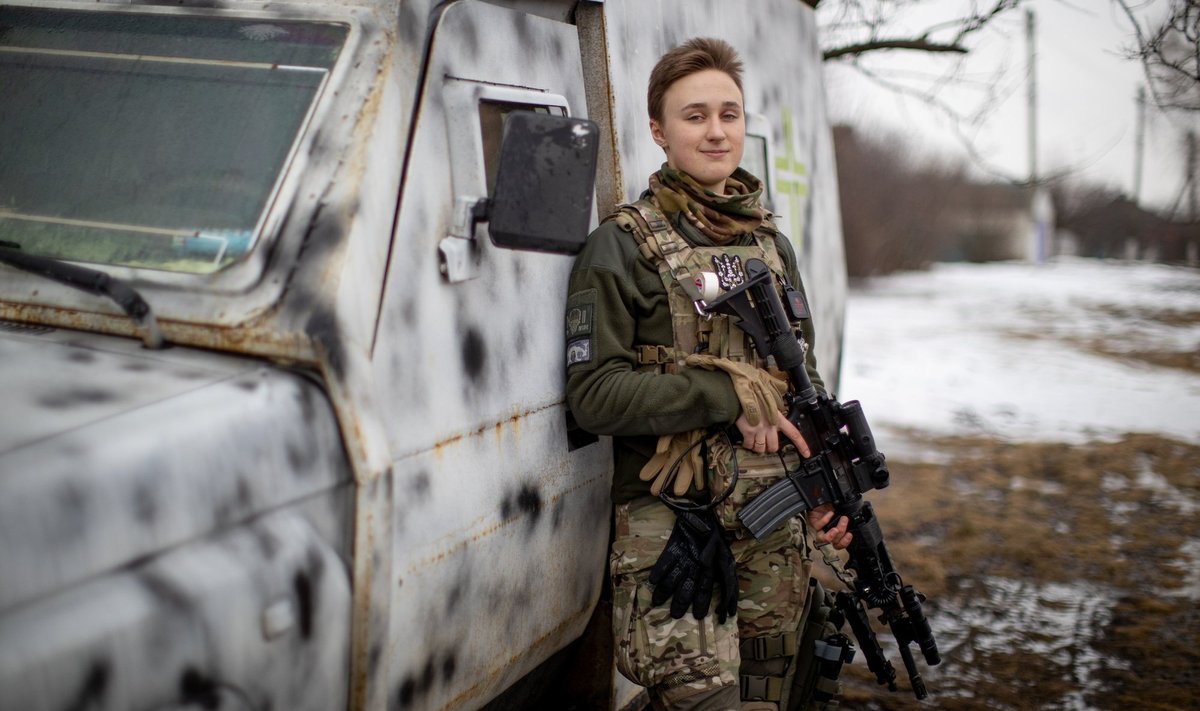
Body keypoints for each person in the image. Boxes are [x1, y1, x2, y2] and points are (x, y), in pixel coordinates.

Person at [565, 38, 853, 711]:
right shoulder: (622, 246)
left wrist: (821, 487)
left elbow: (800, 382)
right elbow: (594, 396)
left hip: (770, 525)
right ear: (659, 131)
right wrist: (729, 395)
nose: (717, 130)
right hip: (674, 525)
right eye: (694, 116)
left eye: (729, 113)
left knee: (768, 696)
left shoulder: (770, 244)